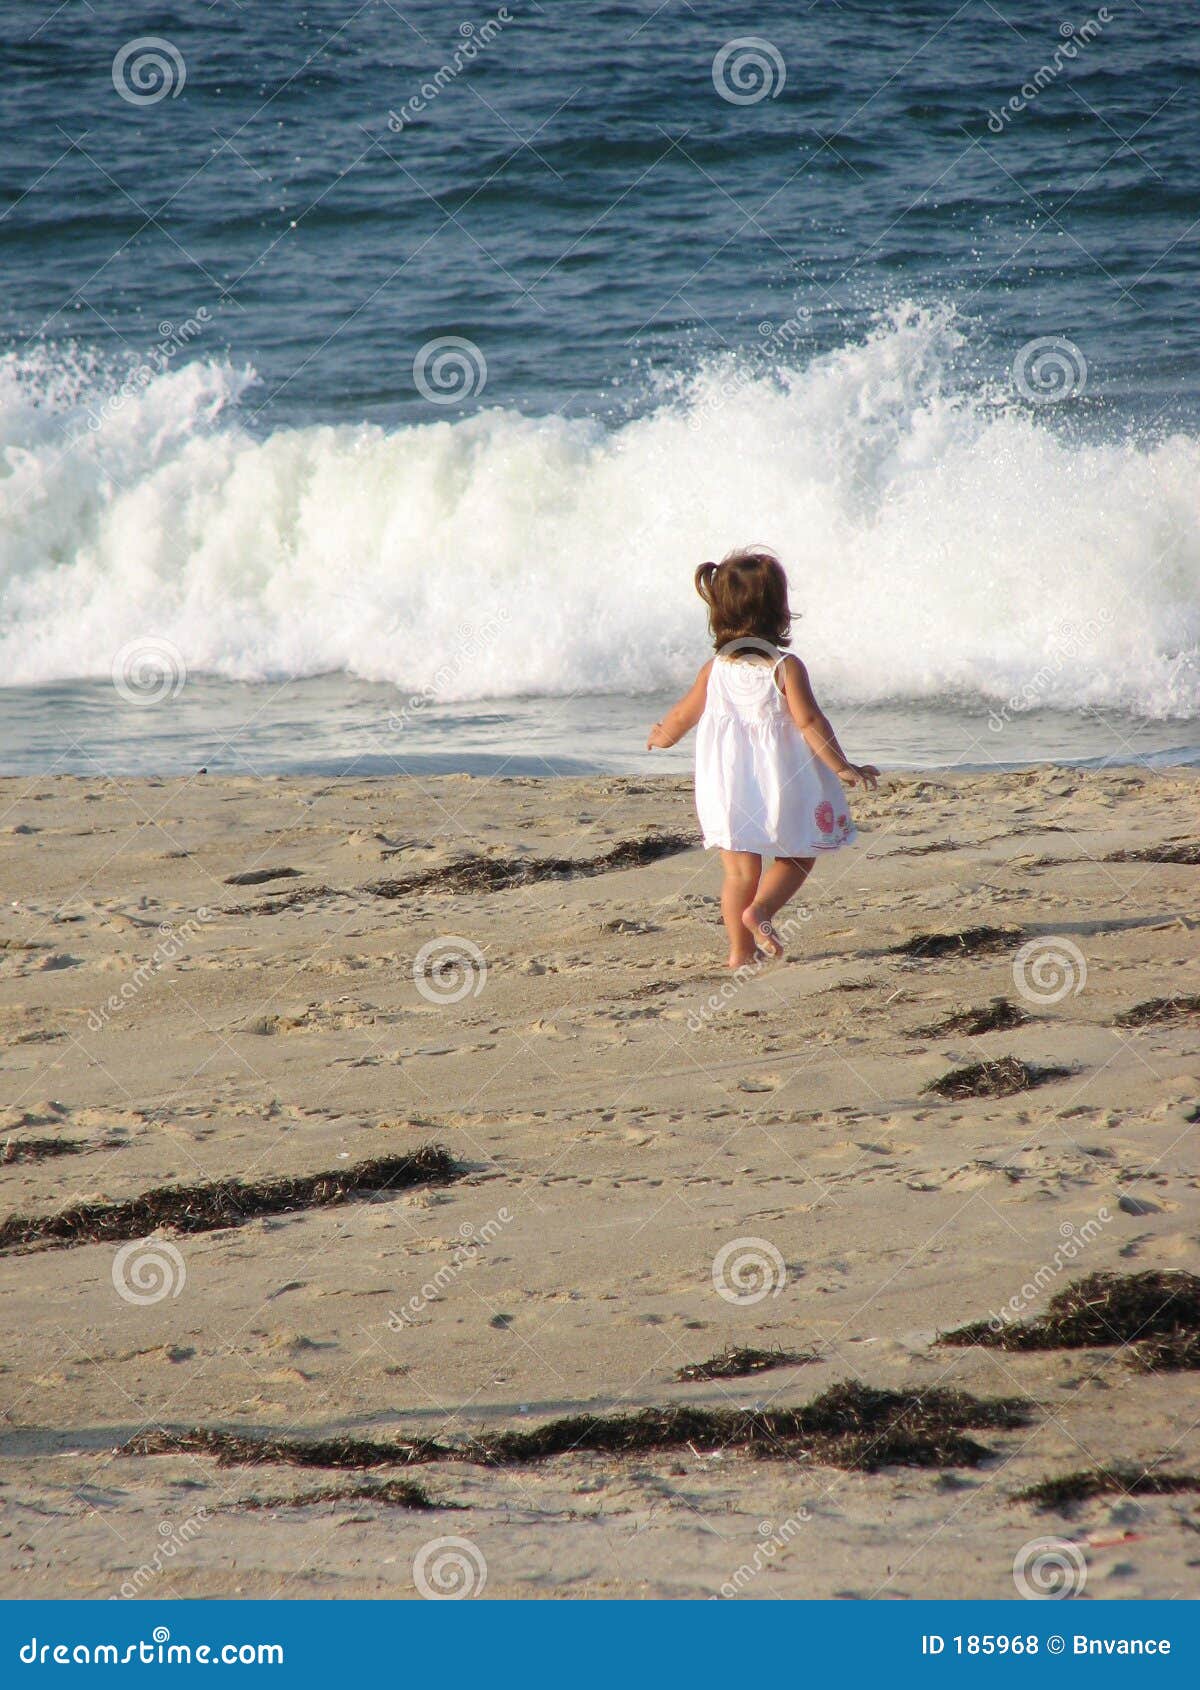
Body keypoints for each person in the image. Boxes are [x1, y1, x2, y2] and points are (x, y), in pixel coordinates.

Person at [647, 547, 879, 968]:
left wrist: (662, 735)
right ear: (779, 613)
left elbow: (683, 715)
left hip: (728, 789)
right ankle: (762, 912)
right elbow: (810, 723)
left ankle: (739, 952)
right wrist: (842, 766)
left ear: (719, 614)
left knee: (738, 874)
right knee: (798, 856)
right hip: (782, 786)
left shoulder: (714, 669)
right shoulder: (785, 668)